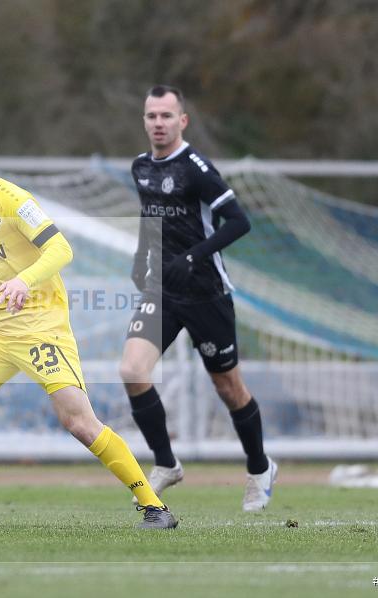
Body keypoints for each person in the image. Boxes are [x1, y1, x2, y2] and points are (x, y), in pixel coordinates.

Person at [0, 119, 177, 529]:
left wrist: (24, 280)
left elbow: (60, 248)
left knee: (78, 422)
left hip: (42, 329)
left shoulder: (13, 200)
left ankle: (155, 507)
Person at [119, 86, 277, 512]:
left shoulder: (196, 168)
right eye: (152, 115)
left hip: (207, 293)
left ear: (182, 121)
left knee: (229, 387)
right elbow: (149, 217)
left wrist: (193, 256)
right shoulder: (139, 168)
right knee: (133, 370)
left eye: (167, 116)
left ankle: (260, 469)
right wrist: (141, 258)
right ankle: (167, 464)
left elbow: (238, 221)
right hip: (162, 291)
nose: (158, 123)